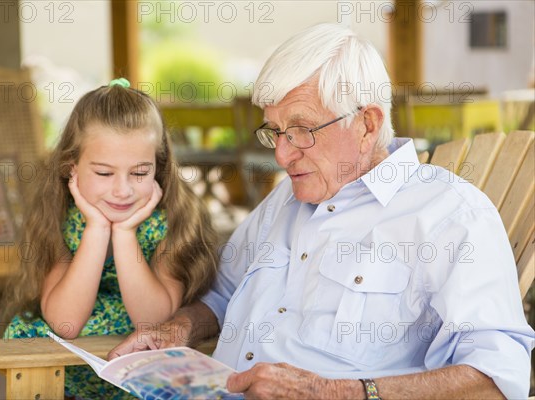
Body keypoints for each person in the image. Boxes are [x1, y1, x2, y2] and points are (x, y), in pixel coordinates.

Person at [110, 25, 535, 399]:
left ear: (367, 124)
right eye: (274, 131)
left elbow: (497, 378)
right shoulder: (285, 200)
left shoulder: (448, 216)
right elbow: (221, 295)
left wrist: (335, 393)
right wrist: (177, 329)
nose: (280, 153)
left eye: (300, 130)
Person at [1, 78, 219, 399]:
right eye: (104, 173)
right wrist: (97, 229)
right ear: (71, 168)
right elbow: (65, 325)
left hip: (140, 359)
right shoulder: (59, 216)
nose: (123, 190)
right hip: (76, 357)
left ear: (158, 168)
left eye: (139, 173)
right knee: (24, 333)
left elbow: (152, 323)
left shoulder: (173, 222)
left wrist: (125, 232)